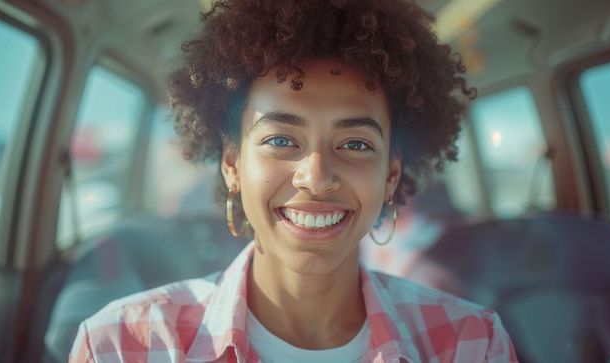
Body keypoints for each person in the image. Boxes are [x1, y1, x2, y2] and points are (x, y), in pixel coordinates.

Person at [69, 0, 518, 362]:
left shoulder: (470, 344)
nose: (317, 177)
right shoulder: (123, 346)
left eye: (357, 144)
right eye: (282, 139)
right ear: (231, 163)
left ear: (391, 175)